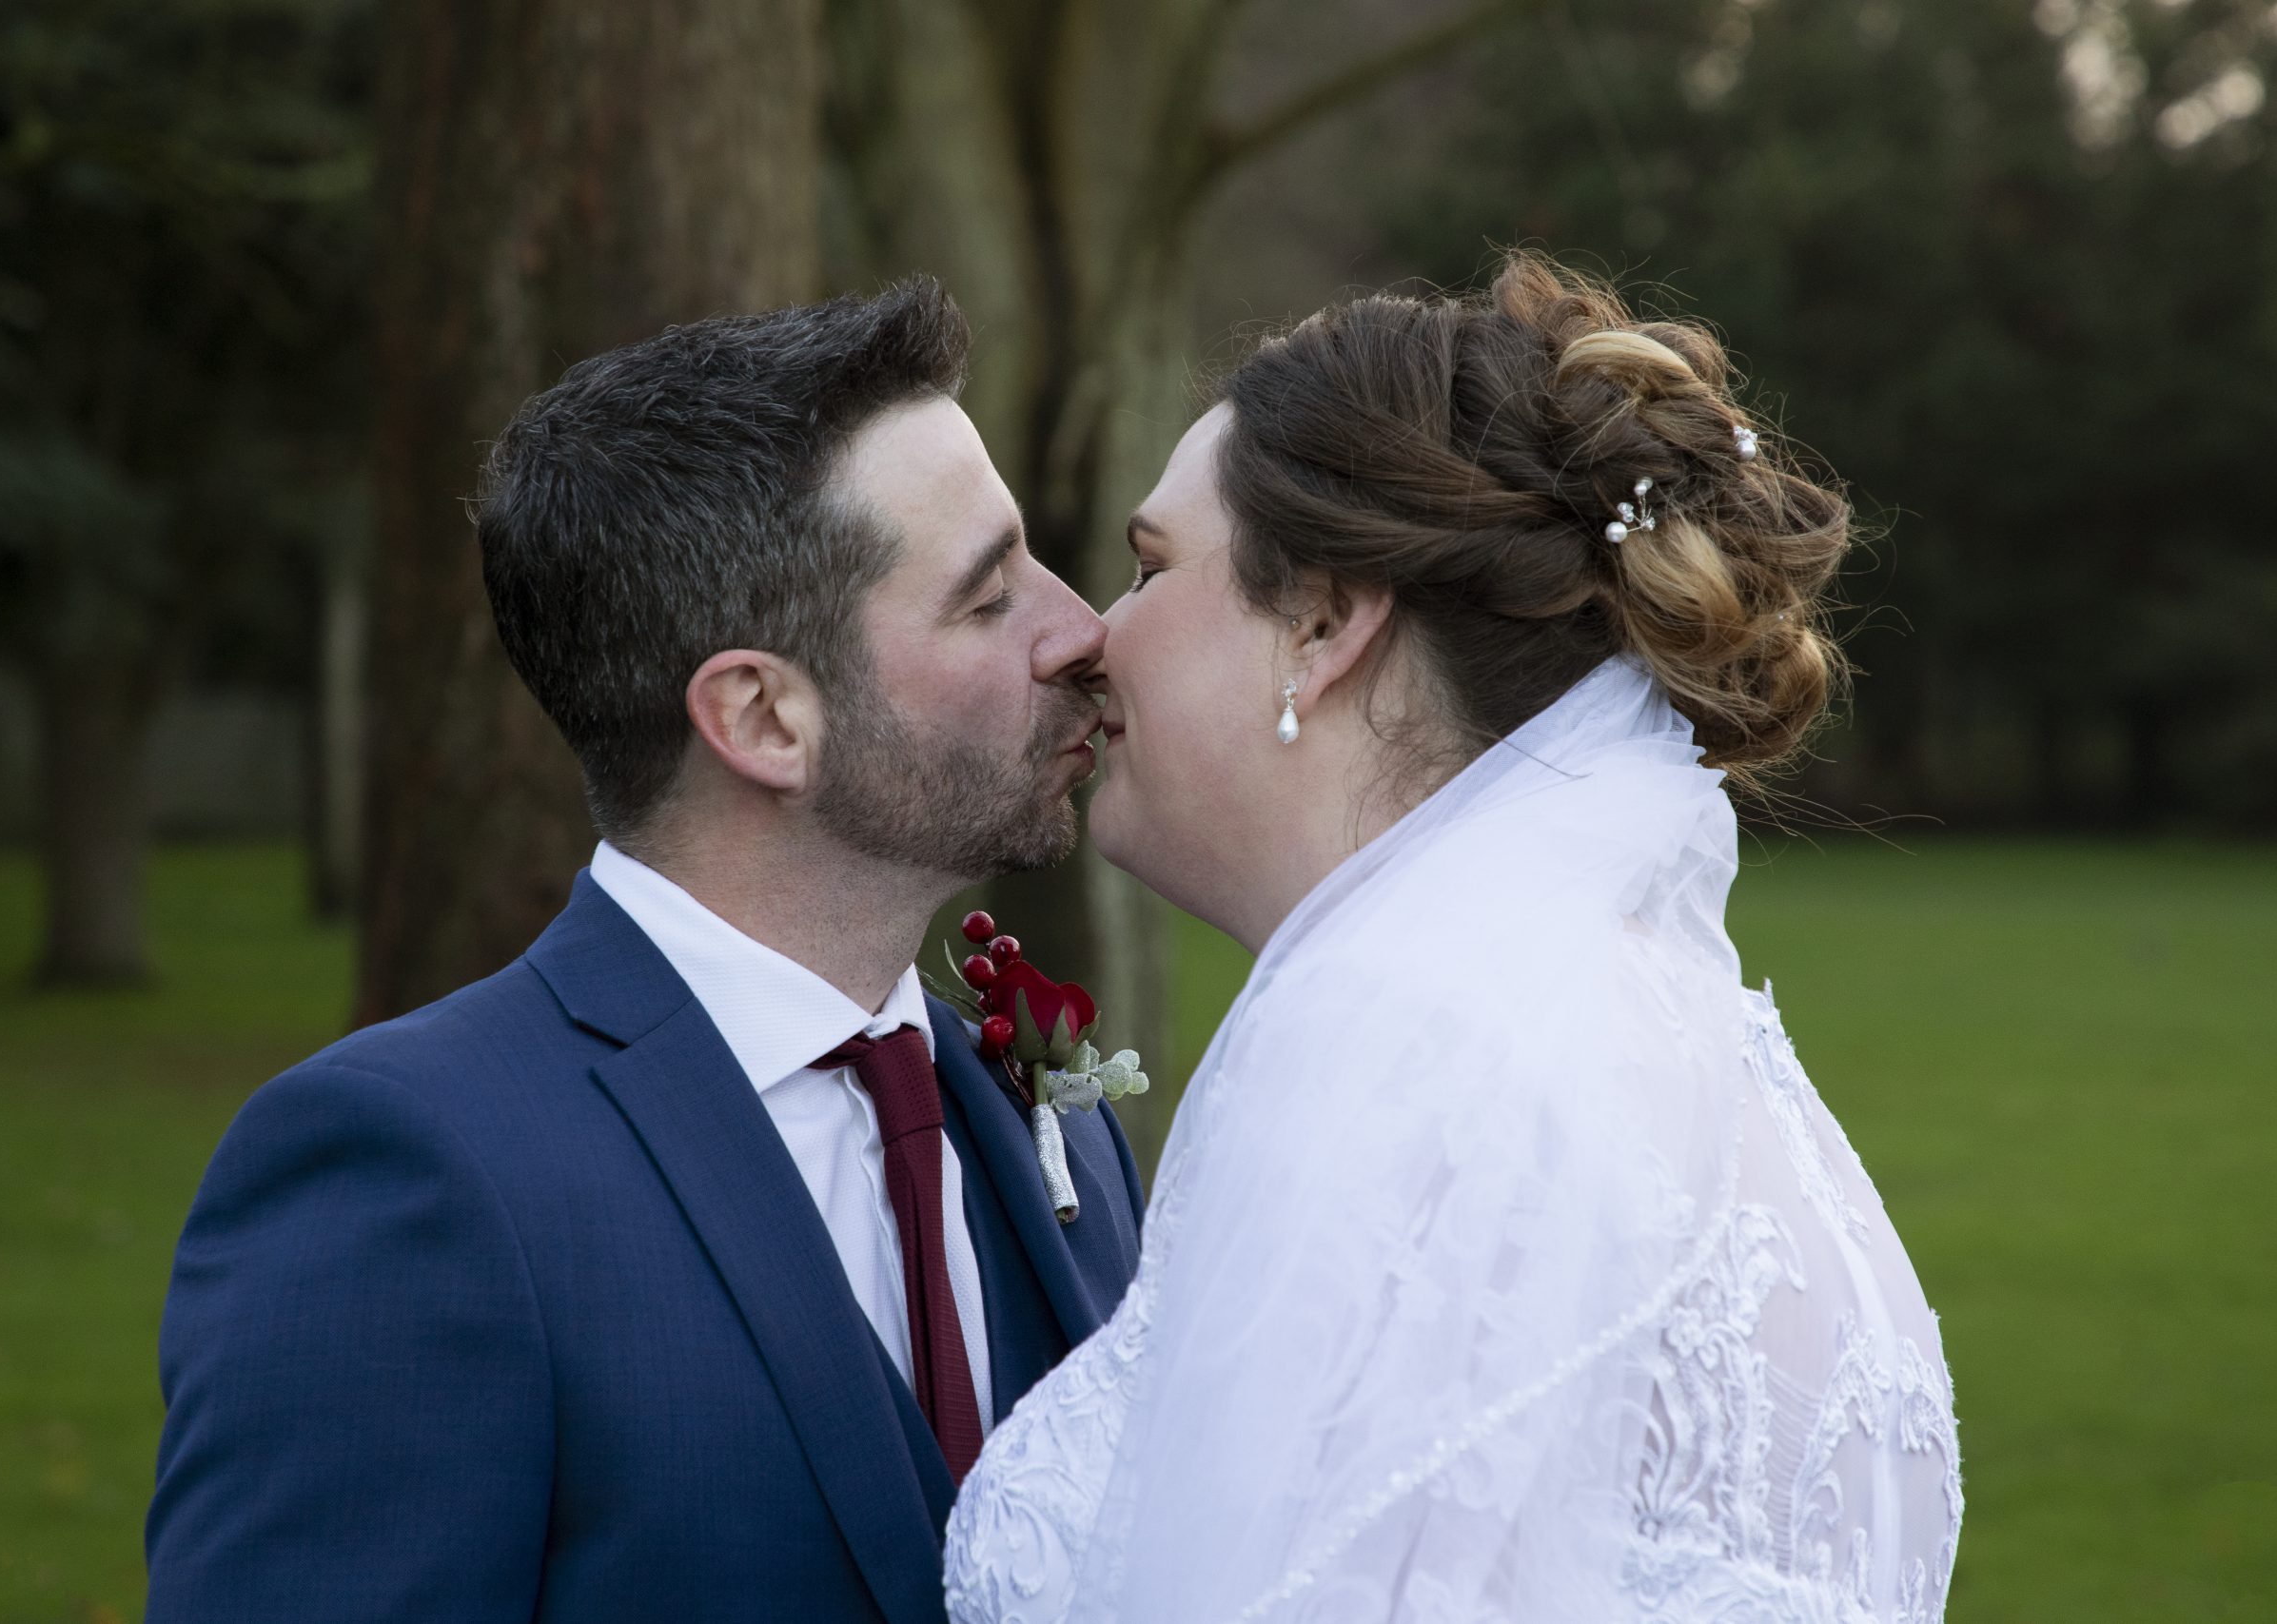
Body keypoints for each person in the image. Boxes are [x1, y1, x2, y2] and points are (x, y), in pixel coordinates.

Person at [945, 253, 1962, 1623]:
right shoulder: (1670, 1038)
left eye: (1149, 568)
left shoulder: (1409, 1046)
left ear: (1322, 620)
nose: (1091, 636)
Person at [146, 280, 1147, 1624]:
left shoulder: (1051, 1119)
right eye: (989, 596)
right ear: (762, 718)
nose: (1081, 630)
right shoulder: (413, 1177)